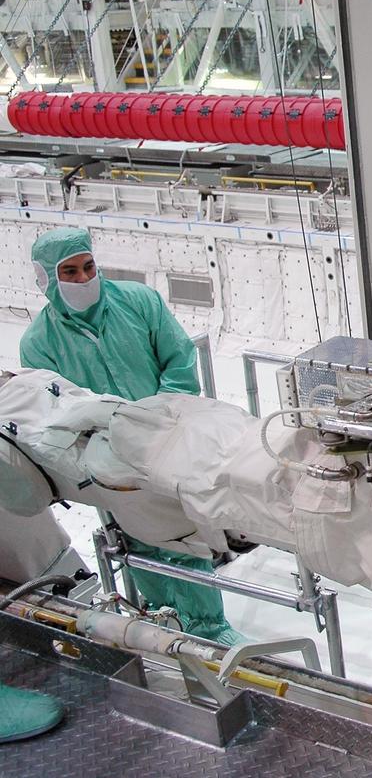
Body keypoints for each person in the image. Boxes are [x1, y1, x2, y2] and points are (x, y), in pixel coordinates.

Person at [19, 227, 243, 646]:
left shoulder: (139, 301)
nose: (83, 279)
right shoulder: (38, 344)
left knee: (183, 536)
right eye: (69, 272)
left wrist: (164, 416)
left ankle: (210, 629)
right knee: (136, 545)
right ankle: (166, 623)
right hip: (106, 460)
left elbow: (177, 359)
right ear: (47, 278)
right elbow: (57, 412)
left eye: (89, 267)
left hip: (167, 442)